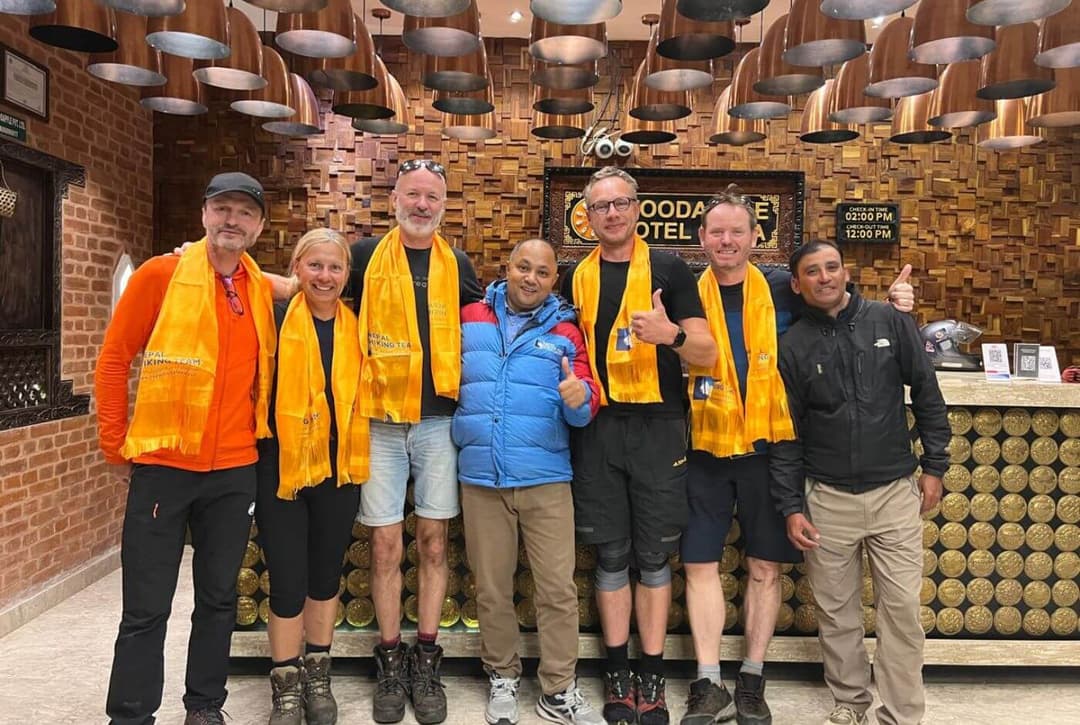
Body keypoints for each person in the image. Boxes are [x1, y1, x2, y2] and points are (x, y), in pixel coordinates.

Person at [679, 189, 915, 725]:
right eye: (717, 232)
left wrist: (897, 306)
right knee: (699, 563)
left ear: (756, 239)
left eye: (738, 231)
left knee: (765, 566)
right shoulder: (682, 293)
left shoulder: (785, 291)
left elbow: (844, 309)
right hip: (704, 448)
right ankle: (708, 682)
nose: (727, 241)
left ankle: (753, 681)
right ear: (701, 240)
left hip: (770, 449)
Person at [95, 172, 276, 725]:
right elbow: (113, 359)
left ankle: (204, 706)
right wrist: (115, 444)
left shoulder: (258, 287)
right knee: (146, 606)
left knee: (219, 600)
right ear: (203, 215)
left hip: (235, 469)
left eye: (245, 212)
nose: (232, 220)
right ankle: (131, 714)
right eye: (222, 208)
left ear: (259, 226)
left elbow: (308, 285)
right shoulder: (162, 274)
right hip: (164, 464)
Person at [559, 166, 717, 725]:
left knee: (652, 555)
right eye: (600, 206)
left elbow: (708, 352)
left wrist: (668, 334)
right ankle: (617, 672)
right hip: (599, 427)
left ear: (637, 208)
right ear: (587, 216)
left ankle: (652, 674)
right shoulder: (575, 275)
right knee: (610, 554)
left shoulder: (670, 269)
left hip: (659, 426)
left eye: (621, 203)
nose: (612, 214)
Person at [770, 241, 949, 725]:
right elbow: (786, 436)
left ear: (845, 272)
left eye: (832, 267)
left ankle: (901, 713)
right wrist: (792, 506)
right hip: (825, 498)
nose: (824, 277)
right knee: (838, 615)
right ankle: (850, 704)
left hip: (894, 492)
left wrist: (934, 466)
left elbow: (927, 394)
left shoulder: (889, 322)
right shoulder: (794, 346)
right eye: (812, 271)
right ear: (797, 284)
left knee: (902, 612)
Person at [350, 159, 483, 725]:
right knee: (383, 546)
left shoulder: (460, 264)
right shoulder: (361, 258)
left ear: (444, 205)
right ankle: (388, 657)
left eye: (432, 197)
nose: (422, 205)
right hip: (377, 418)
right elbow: (313, 291)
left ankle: (425, 654)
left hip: (437, 422)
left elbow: (486, 321)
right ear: (394, 200)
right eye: (413, 195)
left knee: (433, 541)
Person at [453, 239, 605, 725]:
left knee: (557, 589)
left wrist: (578, 396)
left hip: (546, 479)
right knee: (492, 588)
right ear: (507, 268)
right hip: (481, 478)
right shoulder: (468, 316)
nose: (531, 278)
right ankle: (502, 674)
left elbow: (585, 409)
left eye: (542, 272)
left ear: (552, 281)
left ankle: (558, 688)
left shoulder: (566, 330)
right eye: (524, 267)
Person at [255, 229, 369, 725]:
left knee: (325, 577)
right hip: (281, 468)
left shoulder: (358, 326)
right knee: (285, 580)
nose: (325, 276)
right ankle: (285, 681)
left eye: (335, 267)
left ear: (347, 275)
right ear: (296, 268)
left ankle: (318, 674)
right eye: (315, 266)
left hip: (339, 469)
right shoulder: (274, 319)